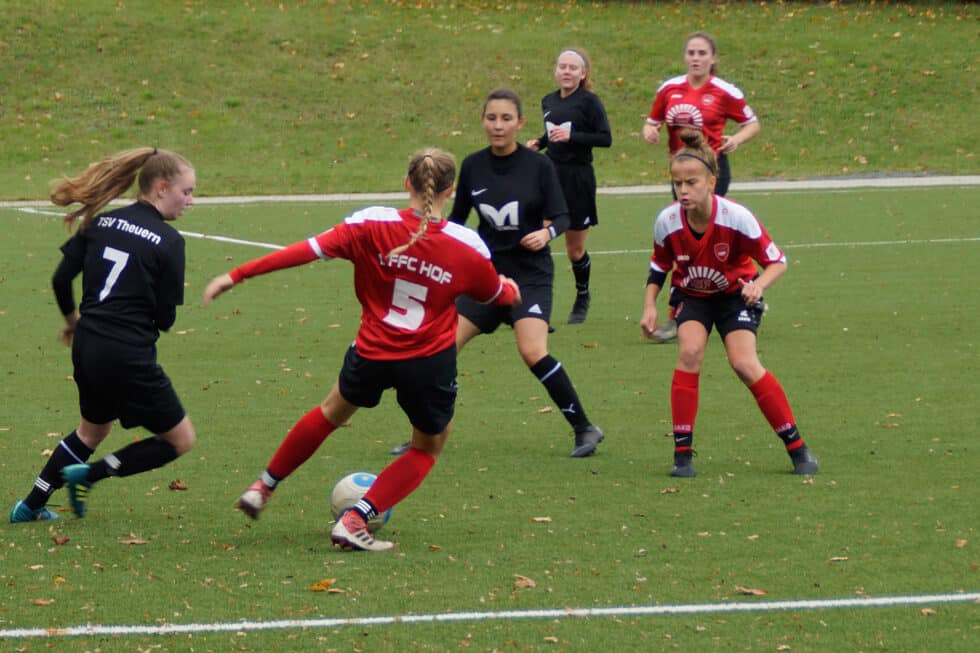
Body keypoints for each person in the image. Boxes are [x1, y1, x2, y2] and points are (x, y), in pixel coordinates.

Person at [203, 148, 521, 552]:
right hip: (427, 363)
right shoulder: (467, 246)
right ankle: (356, 519)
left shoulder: (370, 223)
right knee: (427, 446)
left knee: (331, 412)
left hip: (371, 351)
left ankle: (262, 487)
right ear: (450, 190)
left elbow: (304, 251)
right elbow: (497, 295)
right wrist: (510, 287)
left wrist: (237, 274)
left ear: (407, 183)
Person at [10, 147, 198, 523]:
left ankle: (29, 506)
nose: (190, 201)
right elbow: (164, 318)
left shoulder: (101, 223)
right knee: (180, 440)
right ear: (161, 188)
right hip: (128, 353)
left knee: (92, 431)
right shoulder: (170, 241)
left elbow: (61, 279)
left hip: (88, 344)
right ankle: (90, 475)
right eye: (187, 191)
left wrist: (73, 321)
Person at [638, 130, 817, 478]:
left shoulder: (736, 217)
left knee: (744, 364)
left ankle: (798, 448)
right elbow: (659, 265)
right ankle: (682, 455)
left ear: (711, 181)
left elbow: (777, 261)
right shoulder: (667, 221)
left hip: (735, 296)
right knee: (689, 354)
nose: (684, 191)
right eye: (678, 184)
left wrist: (758, 286)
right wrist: (649, 305)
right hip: (693, 295)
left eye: (692, 182)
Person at [452, 87, 604, 457]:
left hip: (530, 276)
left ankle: (585, 428)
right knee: (441, 349)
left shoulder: (539, 165)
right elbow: (456, 221)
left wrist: (547, 232)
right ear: (483, 121)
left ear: (520, 123)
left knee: (533, 351)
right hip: (488, 277)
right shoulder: (472, 165)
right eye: (492, 118)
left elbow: (564, 216)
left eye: (506, 119)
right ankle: (426, 433)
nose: (498, 126)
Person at [642, 31, 761, 343]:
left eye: (702, 53)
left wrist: (736, 139)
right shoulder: (669, 88)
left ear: (713, 58)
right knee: (681, 242)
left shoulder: (724, 91)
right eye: (691, 53)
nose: (696, 58)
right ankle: (681, 311)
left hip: (711, 173)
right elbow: (651, 120)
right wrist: (650, 131)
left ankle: (740, 294)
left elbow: (753, 123)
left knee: (714, 240)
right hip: (682, 173)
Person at [526, 47, 612, 325]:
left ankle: (582, 296)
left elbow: (604, 138)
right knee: (538, 239)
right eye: (562, 66)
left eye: (573, 68)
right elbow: (553, 131)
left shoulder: (589, 102)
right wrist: (539, 143)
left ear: (583, 73)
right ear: (556, 70)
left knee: (575, 250)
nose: (566, 71)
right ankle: (534, 303)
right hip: (550, 176)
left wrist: (573, 136)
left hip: (578, 179)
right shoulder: (548, 100)